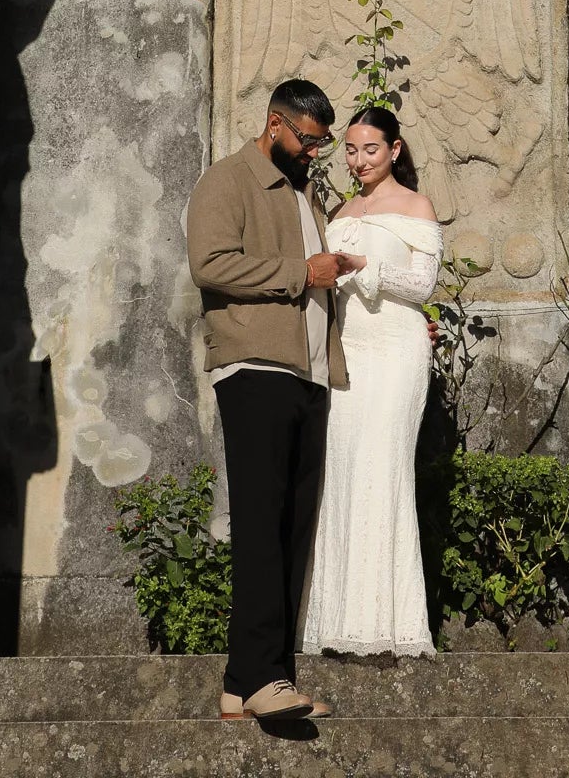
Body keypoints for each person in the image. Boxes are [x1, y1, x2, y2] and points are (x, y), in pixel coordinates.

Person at [186, 78, 362, 722]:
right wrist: (301, 273)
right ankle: (265, 677)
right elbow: (209, 264)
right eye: (309, 140)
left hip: (308, 374)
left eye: (321, 143)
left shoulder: (301, 192)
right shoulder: (227, 181)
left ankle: (248, 679)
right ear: (274, 124)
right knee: (264, 525)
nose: (316, 153)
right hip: (256, 368)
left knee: (292, 526)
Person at [300, 105, 444, 657]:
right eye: (353, 150)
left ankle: (389, 627)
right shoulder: (339, 209)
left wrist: (364, 266)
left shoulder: (416, 206)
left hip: (396, 352)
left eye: (372, 149)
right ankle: (334, 625)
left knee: (383, 471)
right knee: (341, 473)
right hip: (347, 354)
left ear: (395, 150)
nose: (360, 160)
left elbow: (423, 285)